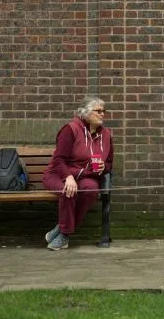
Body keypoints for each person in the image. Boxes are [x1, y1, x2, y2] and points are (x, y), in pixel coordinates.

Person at [42, 96, 114, 250]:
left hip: (86, 176)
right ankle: (65, 235)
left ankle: (60, 229)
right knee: (69, 190)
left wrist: (103, 167)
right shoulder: (71, 129)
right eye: (98, 111)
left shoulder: (106, 134)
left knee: (91, 189)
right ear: (86, 112)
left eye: (104, 111)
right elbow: (59, 159)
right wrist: (68, 177)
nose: (102, 114)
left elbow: (109, 162)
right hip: (59, 174)